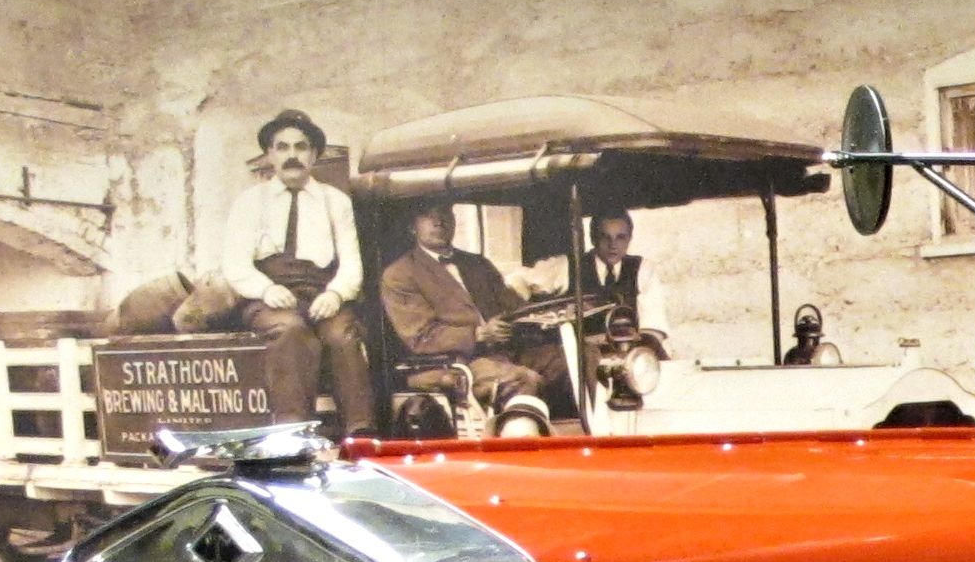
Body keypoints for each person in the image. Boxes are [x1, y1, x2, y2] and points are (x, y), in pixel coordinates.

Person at [191, 110, 371, 432]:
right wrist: (266, 289)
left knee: (342, 335)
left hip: (321, 296)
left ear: (313, 155)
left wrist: (335, 293)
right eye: (282, 147)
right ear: (270, 155)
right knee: (289, 330)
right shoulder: (250, 202)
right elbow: (235, 263)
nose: (292, 156)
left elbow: (351, 263)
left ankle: (360, 433)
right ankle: (292, 432)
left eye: (301, 147)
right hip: (269, 299)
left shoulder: (336, 201)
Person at [378, 202, 575, 428]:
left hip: (505, 352)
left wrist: (546, 315)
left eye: (444, 213)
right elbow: (421, 337)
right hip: (453, 364)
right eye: (427, 215)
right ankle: (522, 440)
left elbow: (513, 307)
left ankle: (588, 435)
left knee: (577, 358)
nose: (439, 221)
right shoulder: (399, 275)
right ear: (412, 226)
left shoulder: (477, 263)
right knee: (523, 379)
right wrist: (479, 334)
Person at [571, 210, 657, 336]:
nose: (613, 245)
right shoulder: (573, 267)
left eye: (620, 237)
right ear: (593, 238)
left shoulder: (642, 269)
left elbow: (653, 325)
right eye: (605, 237)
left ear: (629, 239)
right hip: (584, 347)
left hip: (629, 346)